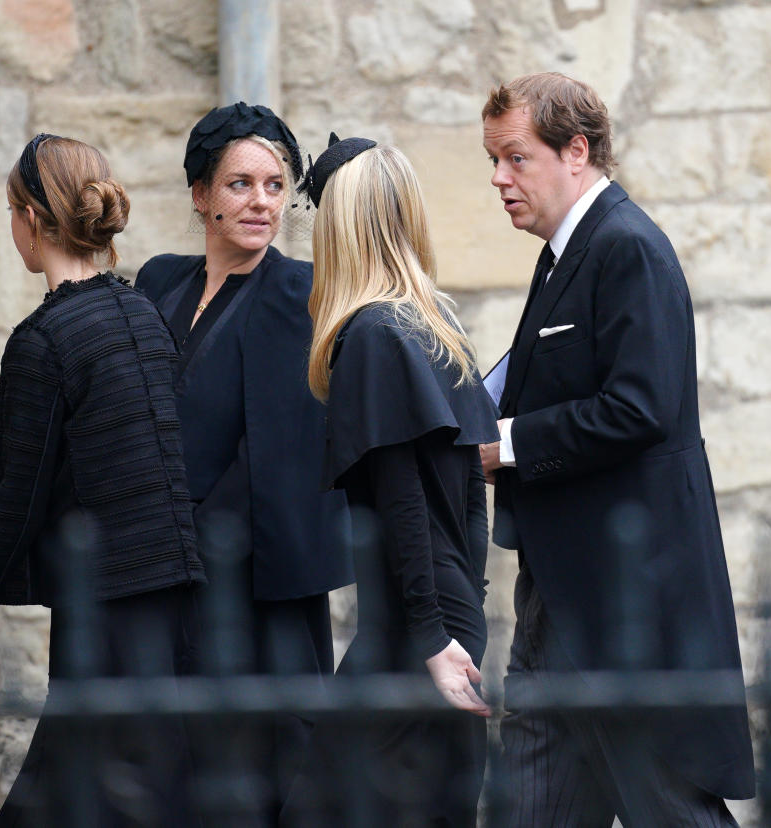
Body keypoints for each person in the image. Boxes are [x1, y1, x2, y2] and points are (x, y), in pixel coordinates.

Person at [478, 72, 755, 826]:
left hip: (621, 604)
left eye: (514, 158)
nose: (500, 179)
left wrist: (503, 445)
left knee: (669, 805)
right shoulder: (563, 252)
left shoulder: (628, 247)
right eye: (492, 161)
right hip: (557, 591)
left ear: (576, 151)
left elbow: (639, 407)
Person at [0, 134, 205, 826]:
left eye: (12, 210)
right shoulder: (145, 316)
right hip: (177, 610)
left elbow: (14, 509)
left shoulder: (43, 343)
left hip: (107, 618)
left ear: (31, 220)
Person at [133, 103, 352, 826]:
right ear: (201, 195)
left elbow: (279, 453)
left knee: (257, 783)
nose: (263, 202)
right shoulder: (161, 284)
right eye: (240, 184)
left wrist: (185, 542)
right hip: (161, 588)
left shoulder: (300, 292)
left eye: (275, 184)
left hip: (254, 591)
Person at [281, 137, 499, 827]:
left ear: (340, 226)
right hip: (443, 605)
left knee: (325, 807)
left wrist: (433, 640)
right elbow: (470, 492)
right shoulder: (436, 321)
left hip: (413, 623)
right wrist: (468, 612)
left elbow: (402, 499)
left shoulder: (373, 334)